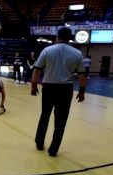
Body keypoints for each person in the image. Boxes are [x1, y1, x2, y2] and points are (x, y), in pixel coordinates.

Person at [31, 26, 87, 157]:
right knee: (61, 120)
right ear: (70, 38)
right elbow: (82, 75)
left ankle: (39, 143)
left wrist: (34, 86)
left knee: (45, 115)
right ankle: (53, 149)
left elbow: (37, 70)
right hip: (65, 90)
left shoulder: (47, 50)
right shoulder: (77, 53)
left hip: (49, 88)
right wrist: (82, 91)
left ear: (57, 36)